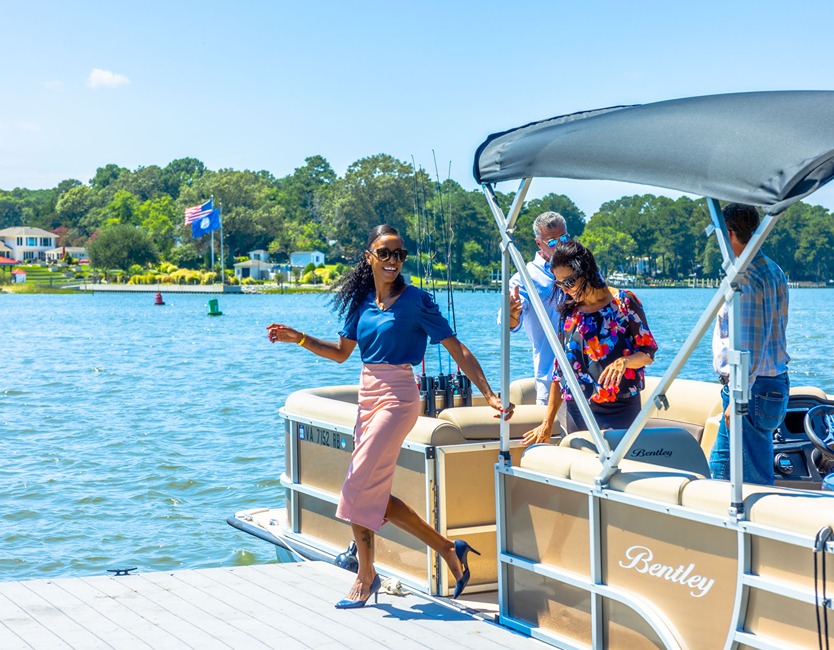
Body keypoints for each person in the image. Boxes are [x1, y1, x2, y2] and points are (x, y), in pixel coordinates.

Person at [267, 224, 513, 609]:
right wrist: (299, 338)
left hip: (399, 396)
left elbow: (456, 348)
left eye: (399, 254)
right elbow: (340, 353)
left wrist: (490, 394)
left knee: (354, 488)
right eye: (385, 253)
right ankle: (449, 548)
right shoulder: (361, 303)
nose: (393, 261)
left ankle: (367, 576)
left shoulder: (416, 301)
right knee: (372, 494)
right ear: (369, 256)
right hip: (367, 396)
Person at [523, 240, 657, 445]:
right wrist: (547, 422)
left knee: (618, 469)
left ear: (586, 272)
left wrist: (625, 361)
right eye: (559, 284)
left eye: (568, 282)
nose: (565, 290)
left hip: (620, 409)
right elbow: (560, 371)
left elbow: (647, 354)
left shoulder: (624, 302)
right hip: (577, 411)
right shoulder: (569, 312)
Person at [708, 203, 789, 485]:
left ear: (730, 235)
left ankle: (756, 528)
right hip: (767, 383)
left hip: (751, 389)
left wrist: (738, 396)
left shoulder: (747, 277)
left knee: (753, 479)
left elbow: (749, 345)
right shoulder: (773, 269)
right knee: (719, 469)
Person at [502, 211, 568, 404]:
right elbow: (509, 323)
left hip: (589, 372)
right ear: (539, 243)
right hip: (550, 375)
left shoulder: (583, 268)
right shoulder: (524, 277)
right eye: (553, 242)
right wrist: (512, 312)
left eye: (564, 237)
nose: (561, 245)